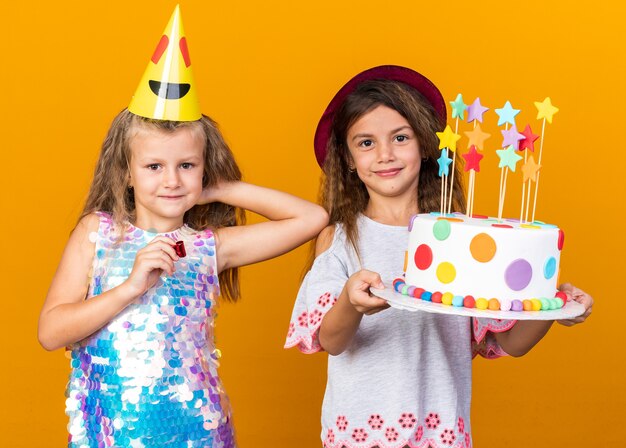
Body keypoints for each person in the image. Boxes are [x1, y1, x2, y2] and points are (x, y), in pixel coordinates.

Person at [38, 8, 328, 446]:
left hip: (199, 431)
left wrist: (216, 189)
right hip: (112, 434)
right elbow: (50, 331)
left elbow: (312, 218)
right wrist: (130, 288)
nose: (172, 179)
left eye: (186, 165)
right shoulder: (97, 234)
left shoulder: (210, 247)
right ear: (127, 173)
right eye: (154, 165)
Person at [284, 65, 593, 448]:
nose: (384, 154)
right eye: (365, 143)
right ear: (347, 158)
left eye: (400, 138)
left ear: (426, 146)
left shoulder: (462, 239)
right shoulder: (340, 237)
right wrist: (350, 301)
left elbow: (512, 343)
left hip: (441, 428)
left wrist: (553, 306)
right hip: (361, 431)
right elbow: (331, 340)